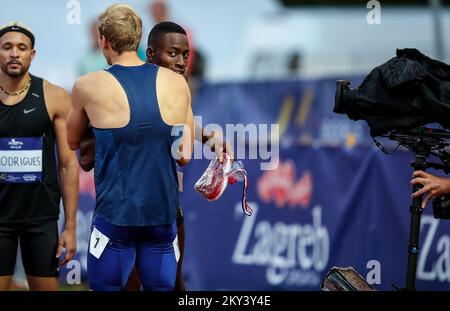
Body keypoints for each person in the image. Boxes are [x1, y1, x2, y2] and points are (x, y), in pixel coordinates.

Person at [78, 21, 233, 291]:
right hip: (125, 213)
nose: (181, 61)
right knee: (131, 283)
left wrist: (208, 136)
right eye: (172, 53)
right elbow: (85, 155)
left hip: (163, 207)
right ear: (150, 55)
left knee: (174, 282)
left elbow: (174, 126)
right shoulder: (119, 86)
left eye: (185, 55)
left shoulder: (174, 89)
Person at [66, 4, 194, 291]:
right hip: (161, 218)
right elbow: (184, 155)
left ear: (103, 40)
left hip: (115, 218)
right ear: (139, 39)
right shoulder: (176, 83)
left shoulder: (87, 85)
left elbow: (73, 142)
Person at [0, 22, 79, 291]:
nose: (14, 53)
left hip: (40, 219)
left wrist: (69, 226)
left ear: (32, 55)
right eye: (7, 47)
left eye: (21, 48)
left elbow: (68, 165)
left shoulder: (54, 96)